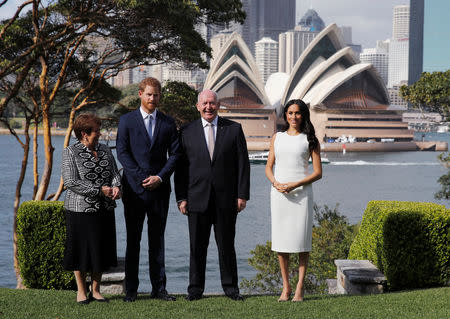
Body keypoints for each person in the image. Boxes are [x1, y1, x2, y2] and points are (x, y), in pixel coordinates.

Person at [175, 89, 250, 301]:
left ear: (218, 105)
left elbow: (243, 165)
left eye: (212, 103)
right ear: (198, 106)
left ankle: (231, 289)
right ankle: (195, 290)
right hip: (196, 199)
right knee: (196, 247)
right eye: (205, 103)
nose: (209, 107)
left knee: (226, 246)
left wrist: (242, 195)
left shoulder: (234, 129)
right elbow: (181, 169)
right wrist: (181, 197)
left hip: (226, 200)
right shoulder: (186, 131)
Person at [116, 77, 180, 302]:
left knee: (157, 241)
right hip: (134, 190)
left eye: (156, 95)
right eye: (149, 94)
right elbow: (122, 153)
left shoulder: (168, 122)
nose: (153, 98)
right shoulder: (126, 121)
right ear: (140, 94)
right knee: (133, 241)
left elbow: (175, 155)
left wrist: (160, 178)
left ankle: (159, 288)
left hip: (160, 191)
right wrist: (144, 178)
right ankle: (131, 290)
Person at [265, 99, 322, 302]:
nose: (293, 117)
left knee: (302, 242)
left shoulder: (310, 139)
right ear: (285, 115)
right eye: (290, 113)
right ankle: (286, 287)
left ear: (304, 115)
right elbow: (268, 167)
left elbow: (318, 173)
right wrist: (275, 183)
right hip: (280, 195)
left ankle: (299, 288)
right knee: (281, 242)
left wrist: (295, 184)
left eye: (297, 113)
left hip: (301, 195)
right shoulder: (277, 138)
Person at [62, 113, 121, 304]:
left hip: (104, 208)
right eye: (96, 131)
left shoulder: (105, 150)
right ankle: (81, 291)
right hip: (79, 210)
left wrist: (117, 187)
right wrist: (98, 190)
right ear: (84, 133)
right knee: (80, 250)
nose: (100, 134)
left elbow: (114, 173)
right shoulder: (70, 152)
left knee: (100, 249)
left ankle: (96, 290)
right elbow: (71, 182)